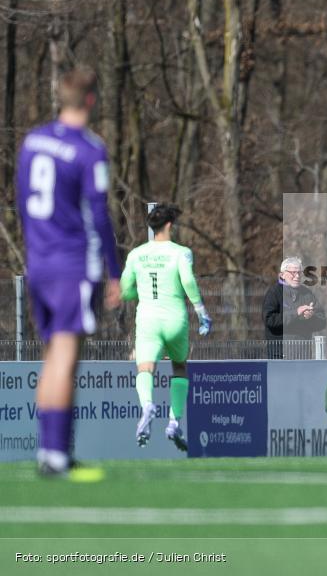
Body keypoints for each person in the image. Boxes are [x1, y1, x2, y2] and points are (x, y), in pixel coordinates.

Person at [16, 66, 122, 477]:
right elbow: (99, 213)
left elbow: (23, 199)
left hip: (40, 263)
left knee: (51, 356)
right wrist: (114, 270)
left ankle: (49, 451)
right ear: (92, 100)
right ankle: (57, 456)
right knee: (64, 356)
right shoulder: (89, 149)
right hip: (72, 265)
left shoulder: (32, 141)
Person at [119, 203, 211, 451]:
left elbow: (125, 290)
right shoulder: (181, 252)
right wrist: (201, 311)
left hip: (148, 319)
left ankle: (147, 405)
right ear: (169, 225)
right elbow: (188, 281)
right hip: (175, 319)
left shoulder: (136, 254)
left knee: (145, 368)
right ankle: (173, 422)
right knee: (179, 367)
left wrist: (140, 291)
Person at [262, 257, 326, 359]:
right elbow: (269, 321)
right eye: (293, 272)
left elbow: (322, 322)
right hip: (279, 356)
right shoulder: (274, 293)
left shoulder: (307, 294)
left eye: (299, 273)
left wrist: (311, 317)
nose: (297, 276)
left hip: (303, 356)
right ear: (282, 275)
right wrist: (296, 312)